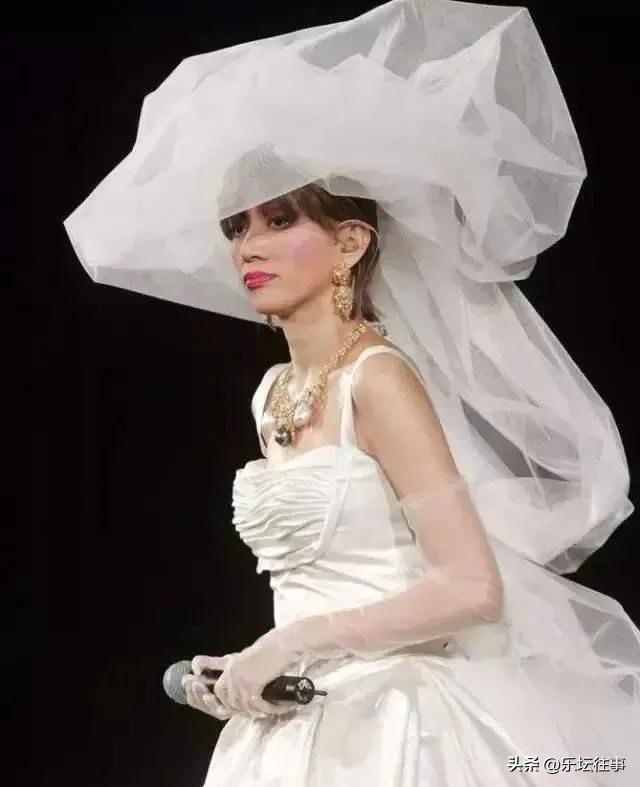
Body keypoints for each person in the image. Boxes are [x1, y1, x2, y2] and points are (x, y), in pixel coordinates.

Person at [62, 1, 639, 783]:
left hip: (394, 722)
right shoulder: (274, 392)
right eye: (237, 226)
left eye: (278, 220)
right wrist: (252, 661)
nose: (249, 245)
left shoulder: (379, 378)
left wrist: (296, 641)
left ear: (350, 242)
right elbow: (314, 580)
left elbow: (472, 586)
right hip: (298, 716)